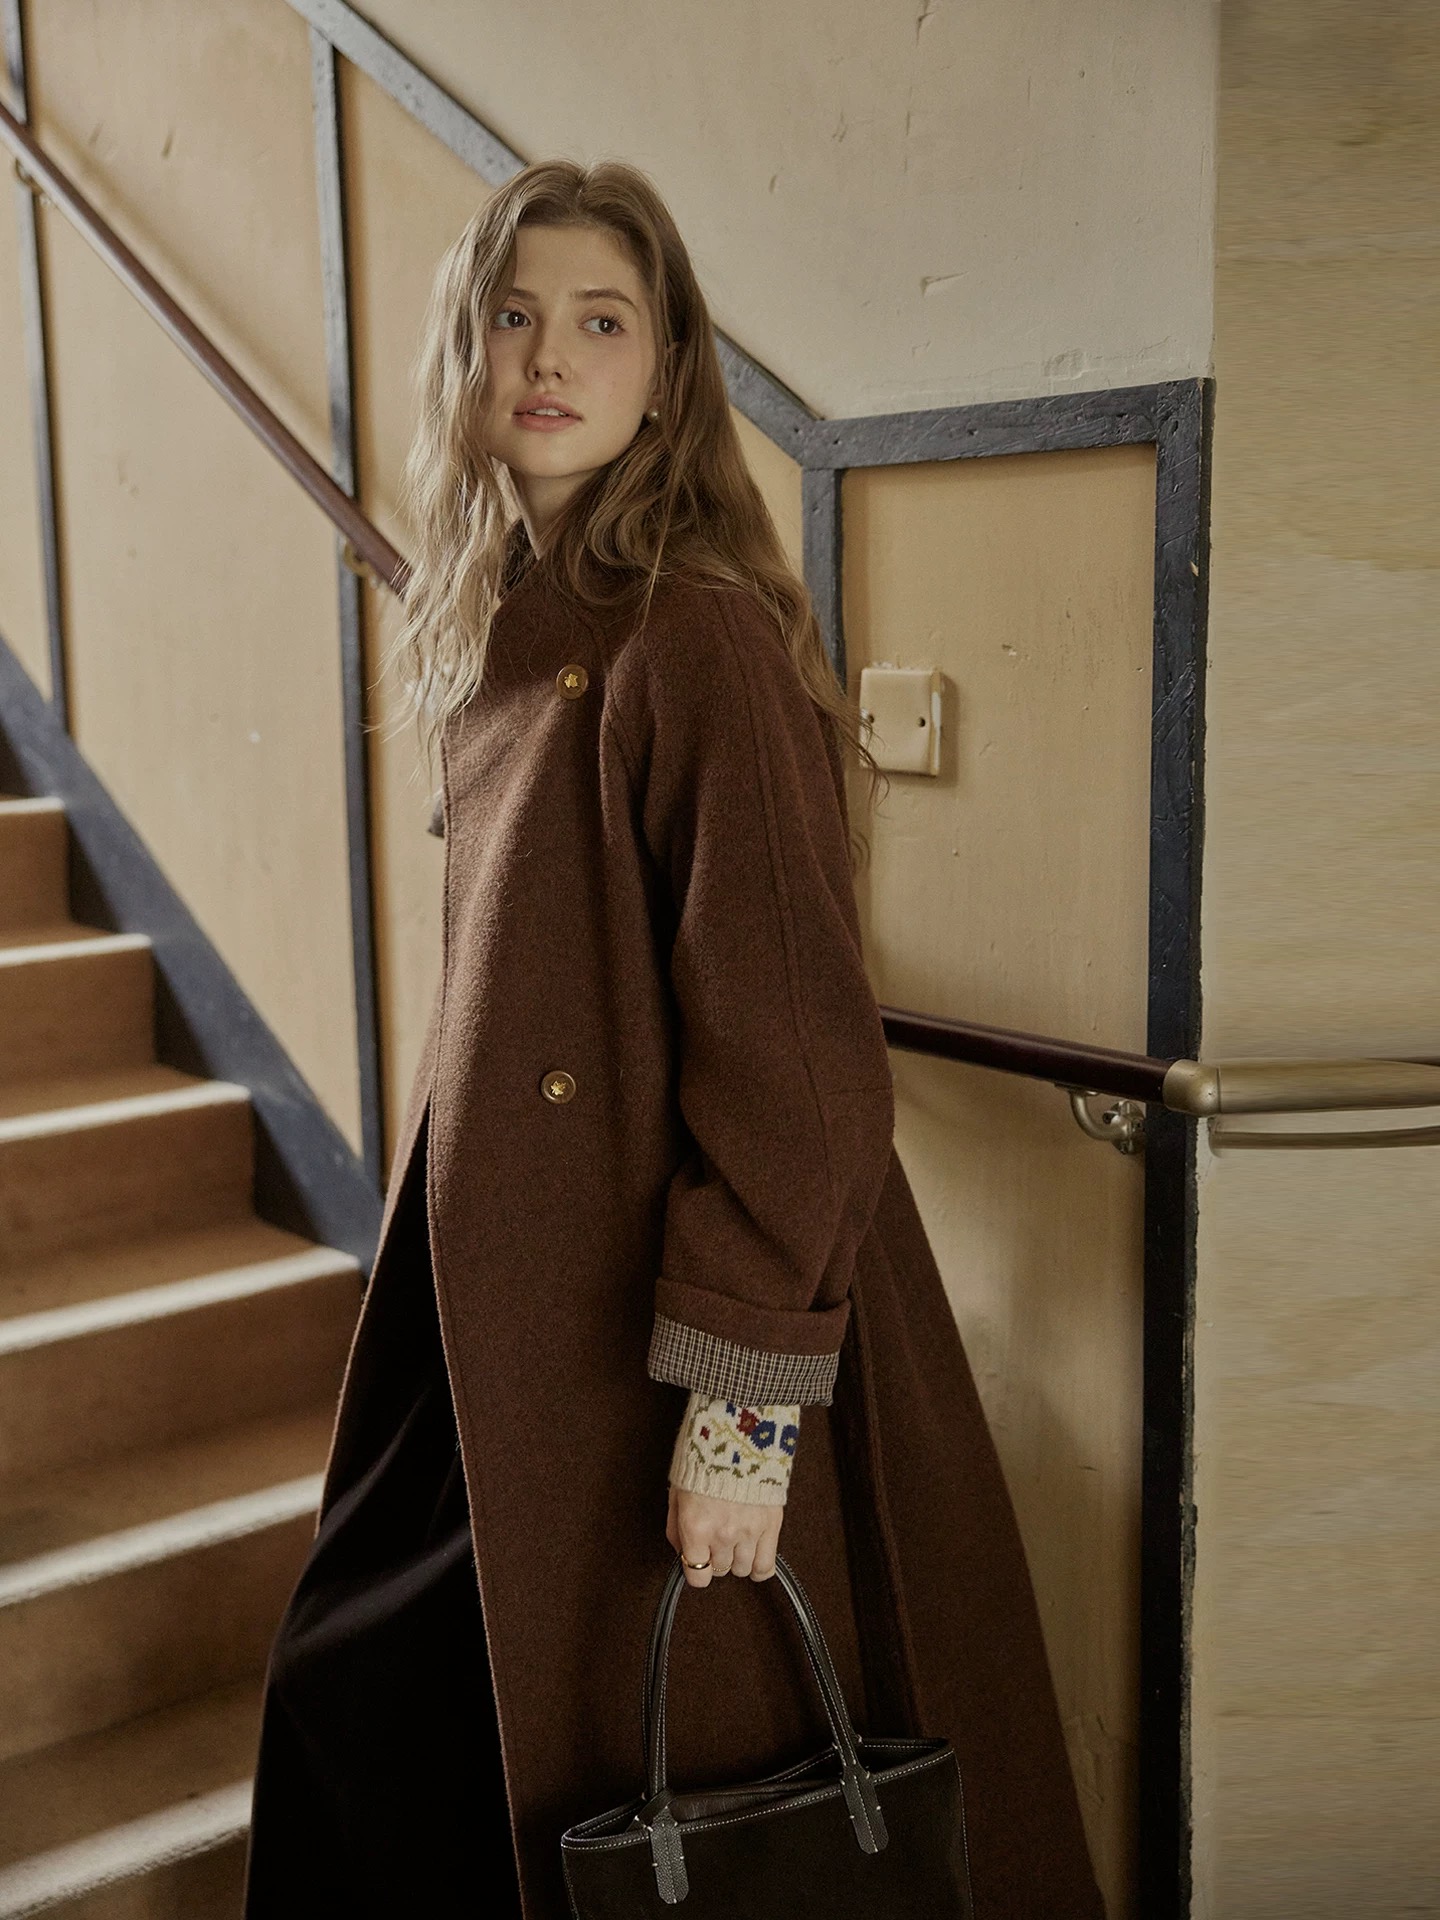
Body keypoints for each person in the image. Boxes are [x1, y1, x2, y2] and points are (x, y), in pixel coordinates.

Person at [242, 159, 1104, 1920]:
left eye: (603, 321)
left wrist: (742, 1414)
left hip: (673, 1326)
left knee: (691, 1798)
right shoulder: (510, 621)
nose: (551, 357)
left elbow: (804, 1063)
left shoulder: (690, 634)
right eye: (513, 316)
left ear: (669, 369)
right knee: (391, 1719)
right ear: (465, 353)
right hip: (508, 1310)